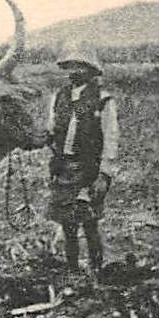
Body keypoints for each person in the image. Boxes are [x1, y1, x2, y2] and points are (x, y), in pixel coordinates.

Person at [45, 43, 118, 280]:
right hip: (64, 168)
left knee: (89, 222)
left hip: (89, 170)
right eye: (70, 66)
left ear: (90, 70)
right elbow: (50, 130)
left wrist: (104, 175)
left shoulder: (103, 101)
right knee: (67, 224)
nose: (74, 71)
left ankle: (97, 269)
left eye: (79, 66)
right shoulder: (59, 98)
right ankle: (72, 269)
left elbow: (110, 139)